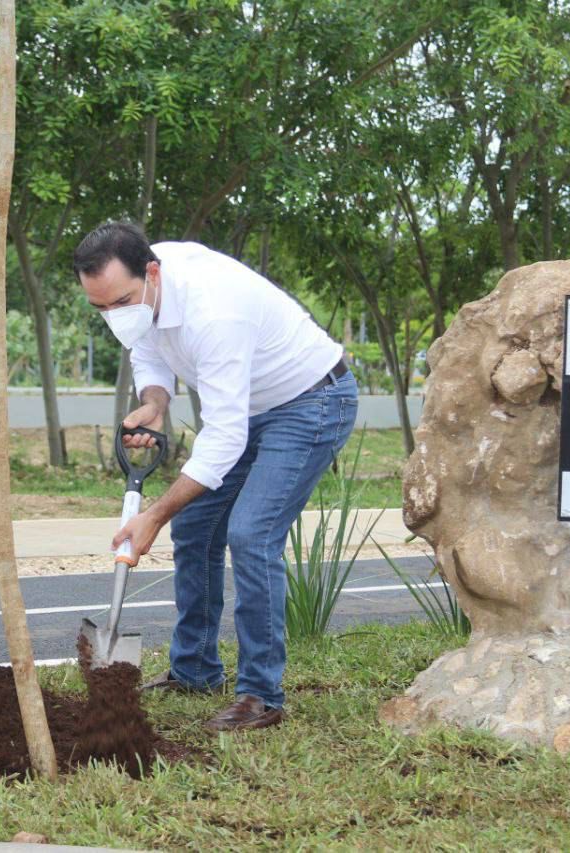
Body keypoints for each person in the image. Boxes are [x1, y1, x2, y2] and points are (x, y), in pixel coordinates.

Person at [73, 221, 358, 732]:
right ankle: (196, 669)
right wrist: (154, 401)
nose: (114, 317)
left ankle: (261, 694)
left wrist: (154, 516)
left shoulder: (215, 311)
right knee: (198, 526)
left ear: (152, 272)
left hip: (311, 400)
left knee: (252, 534)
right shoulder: (144, 292)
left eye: (120, 302)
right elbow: (145, 346)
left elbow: (224, 438)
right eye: (101, 309)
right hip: (249, 405)